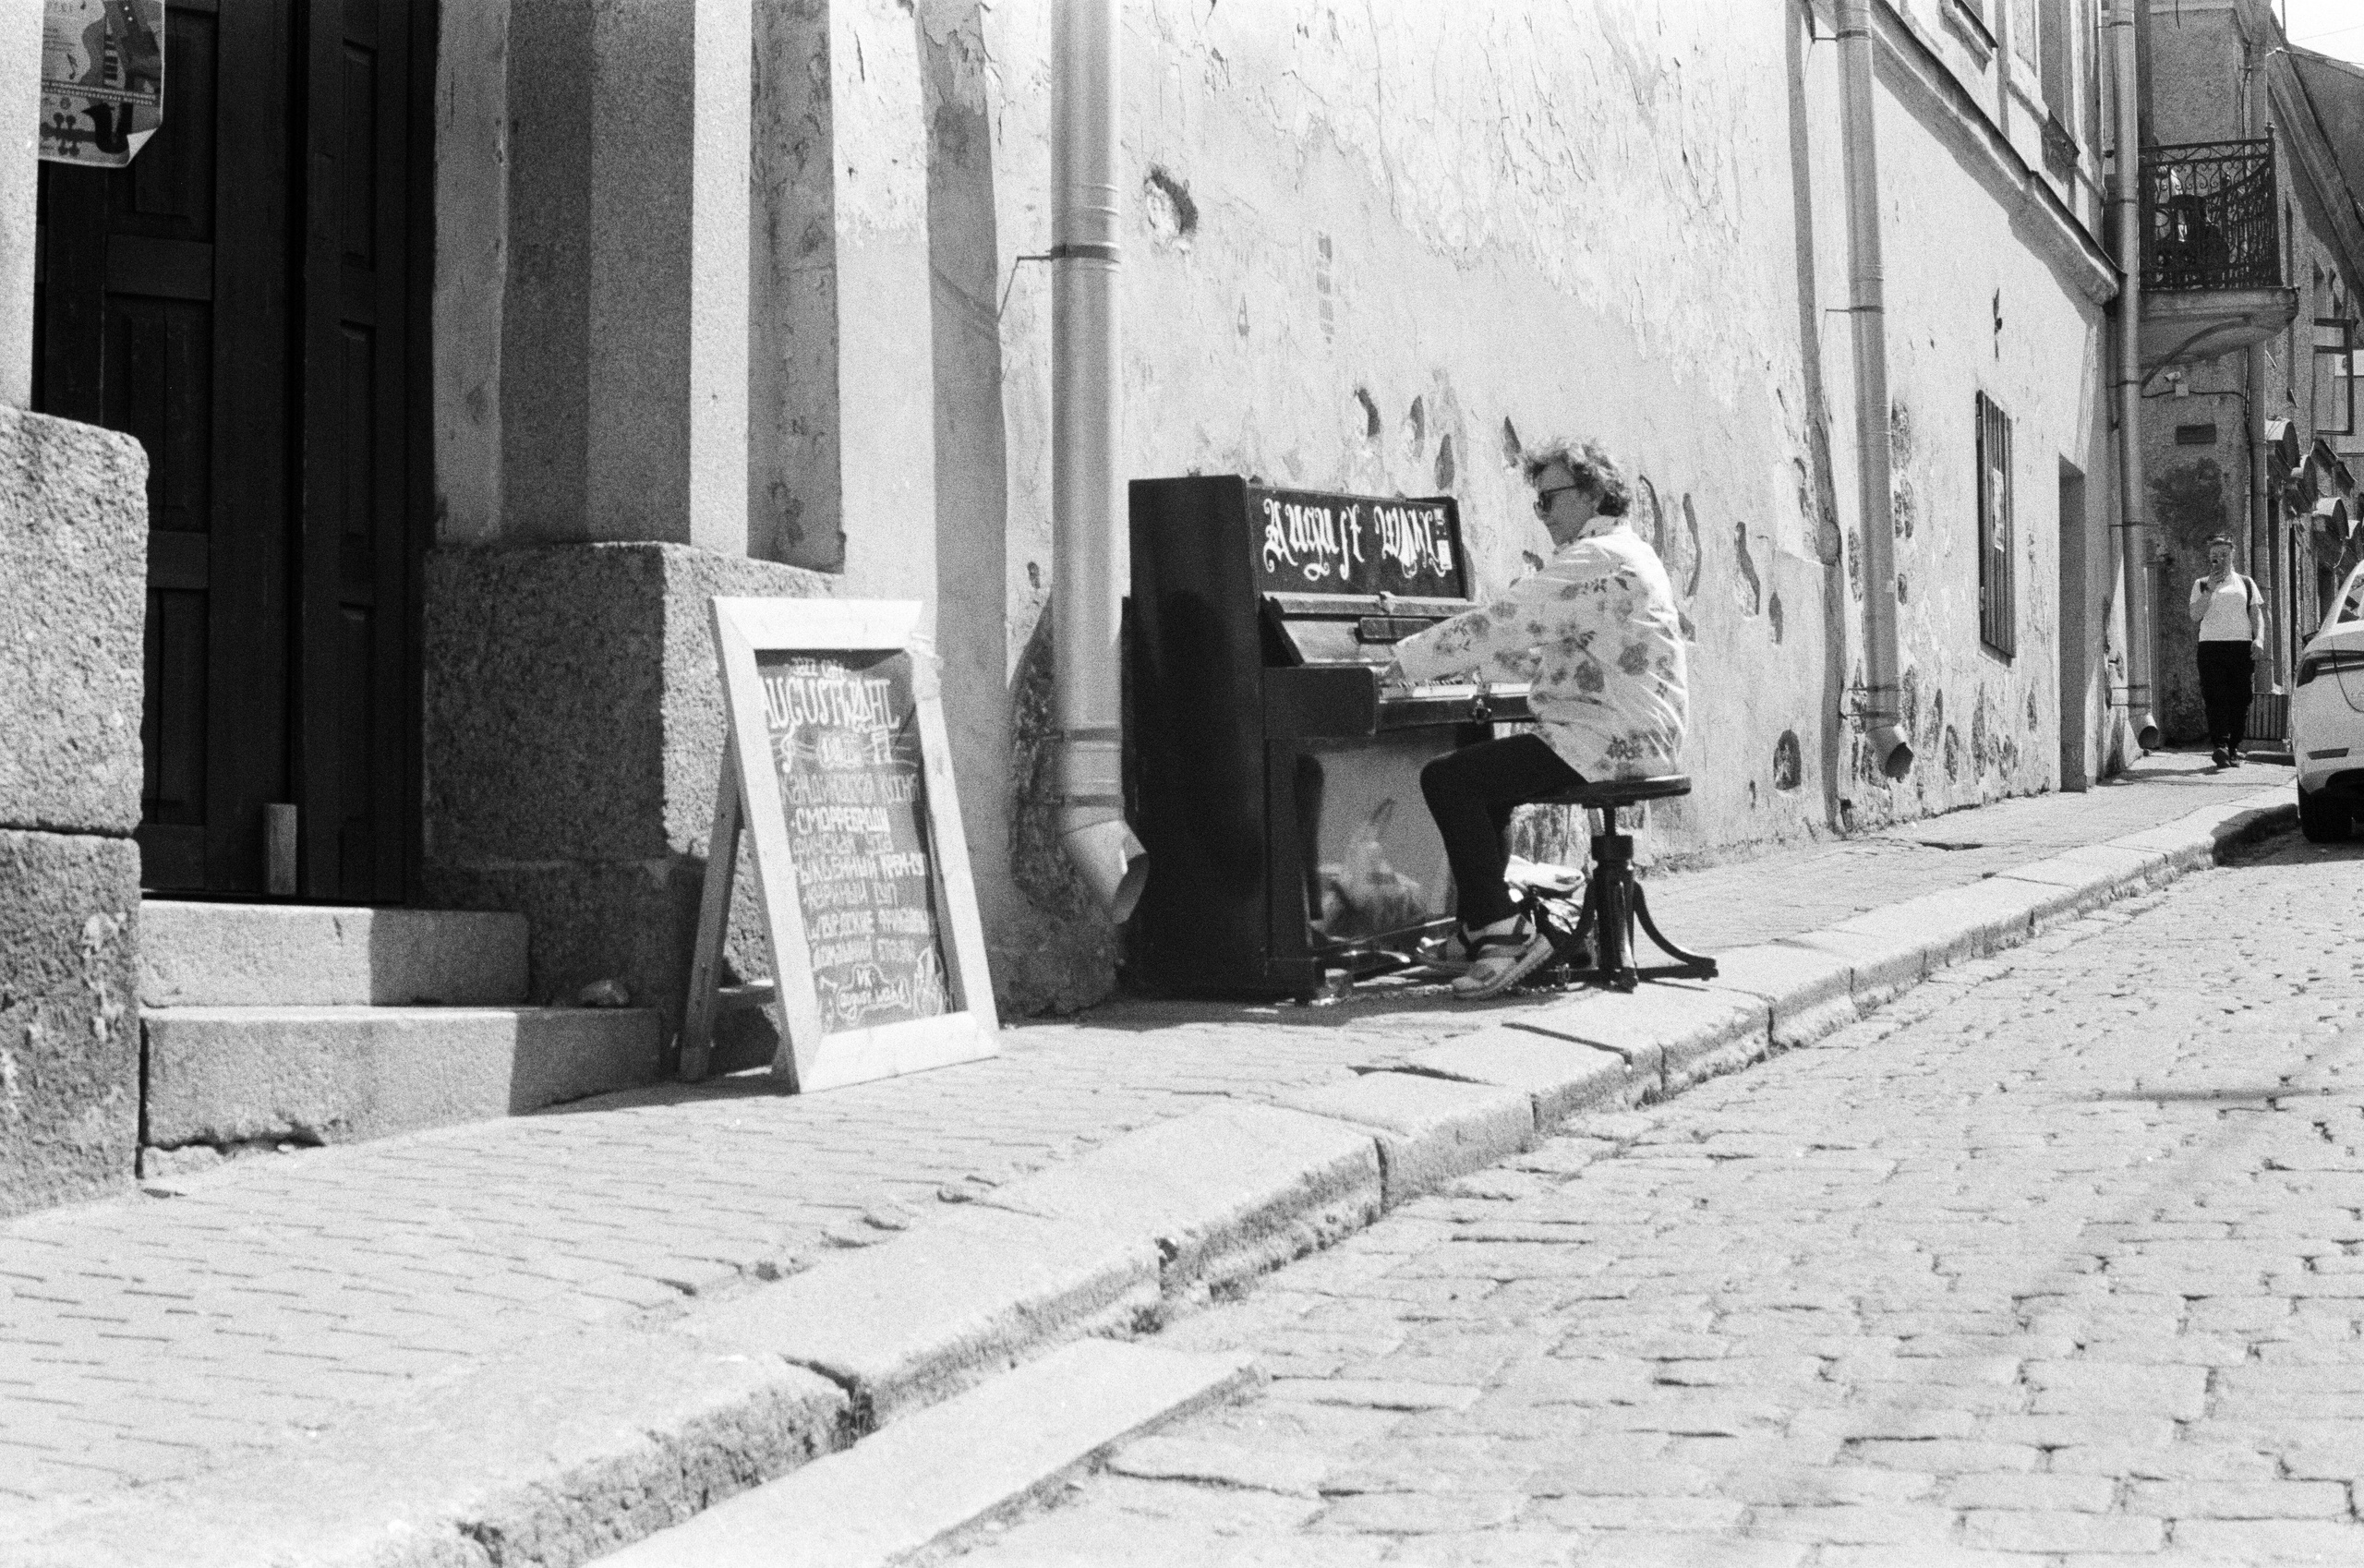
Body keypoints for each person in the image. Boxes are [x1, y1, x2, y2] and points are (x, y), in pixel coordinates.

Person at [1382, 440, 1688, 999]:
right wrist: (1458, 671)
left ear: (1592, 492)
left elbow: (1505, 621)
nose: (1541, 515)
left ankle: (1503, 935)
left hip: (1604, 739)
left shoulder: (1594, 561)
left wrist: (1402, 663)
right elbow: (1541, 642)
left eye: (1548, 500)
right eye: (1538, 503)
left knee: (1449, 779)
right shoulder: (1625, 552)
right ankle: (1480, 924)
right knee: (1486, 785)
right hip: (1632, 734)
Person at [2187, 533, 2265, 766]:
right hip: (2211, 646)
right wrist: (2209, 589)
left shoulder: (2246, 583)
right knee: (2215, 695)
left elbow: (2256, 613)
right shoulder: (2201, 584)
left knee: (2240, 697)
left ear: (2232, 555)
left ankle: (2234, 747)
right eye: (2214, 556)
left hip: (2240, 645)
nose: (2218, 559)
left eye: (2223, 554)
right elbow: (2194, 615)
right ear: (2209, 558)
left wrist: (2259, 638)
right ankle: (2220, 745)